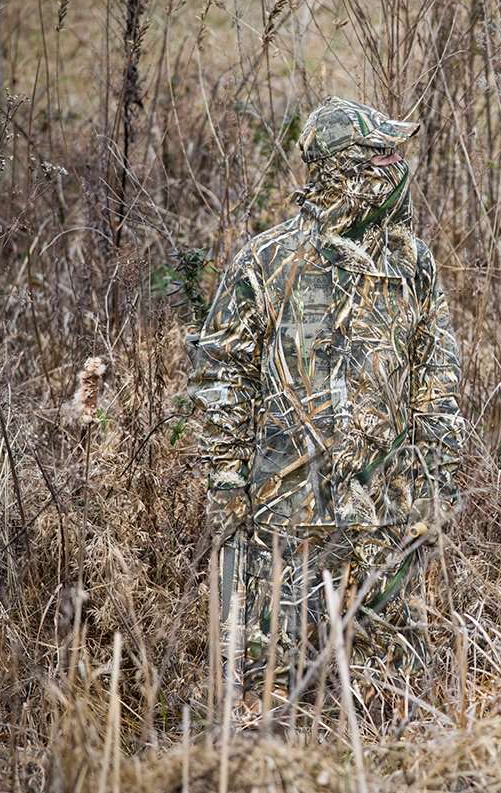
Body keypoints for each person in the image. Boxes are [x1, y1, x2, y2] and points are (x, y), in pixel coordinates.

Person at [187, 96, 465, 708]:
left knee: (387, 697)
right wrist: (229, 483)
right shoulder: (267, 262)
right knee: (267, 697)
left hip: (385, 518)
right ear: (345, 169)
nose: (398, 166)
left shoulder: (412, 265)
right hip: (281, 523)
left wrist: (433, 479)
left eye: (396, 154)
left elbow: (436, 377)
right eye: (382, 154)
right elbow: (220, 376)